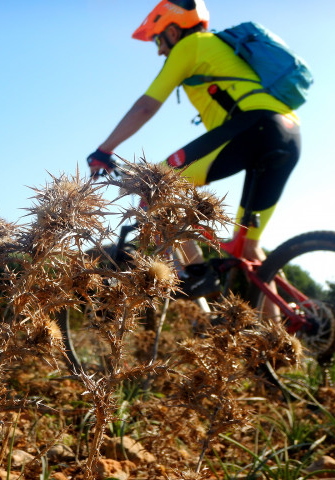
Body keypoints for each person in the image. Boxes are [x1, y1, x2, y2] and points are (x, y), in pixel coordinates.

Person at [86, 0, 301, 299]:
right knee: (250, 249)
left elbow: (146, 106)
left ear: (173, 32)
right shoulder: (216, 48)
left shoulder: (191, 46)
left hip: (252, 128)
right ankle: (281, 337)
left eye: (159, 40)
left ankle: (197, 274)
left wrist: (104, 151)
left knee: (155, 183)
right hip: (288, 133)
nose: (160, 50)